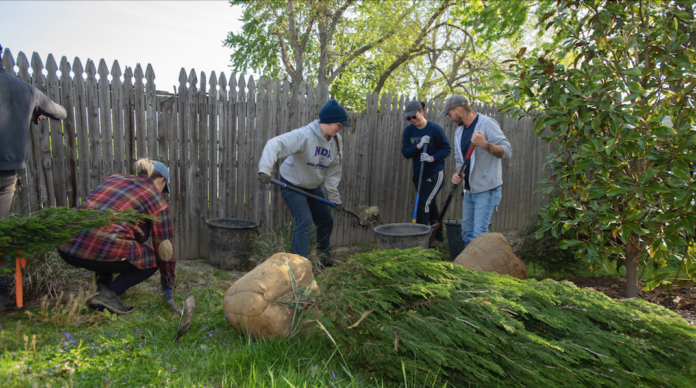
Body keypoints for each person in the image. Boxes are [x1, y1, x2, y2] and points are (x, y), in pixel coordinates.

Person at [56, 158, 176, 314]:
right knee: (151, 260)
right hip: (99, 246)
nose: (162, 193)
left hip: (66, 244)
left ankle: (101, 286)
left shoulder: (114, 179)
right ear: (161, 180)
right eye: (163, 188)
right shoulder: (156, 199)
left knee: (109, 236)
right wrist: (168, 279)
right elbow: (164, 248)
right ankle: (108, 293)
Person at [0, 43, 68, 312]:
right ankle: (3, 298)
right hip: (5, 173)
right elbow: (60, 112)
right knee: (2, 232)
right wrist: (33, 109)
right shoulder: (24, 90)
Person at [257, 99, 349, 267]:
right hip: (292, 184)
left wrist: (335, 199)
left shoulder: (336, 140)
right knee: (305, 221)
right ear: (329, 122)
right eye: (339, 125)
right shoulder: (304, 135)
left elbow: (333, 172)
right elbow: (275, 143)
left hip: (313, 186)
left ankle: (323, 256)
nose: (340, 128)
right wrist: (265, 168)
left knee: (326, 220)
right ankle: (297, 267)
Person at [439, 95, 512, 249]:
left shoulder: (486, 124)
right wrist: (458, 174)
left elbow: (507, 152)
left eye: (450, 114)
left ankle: (479, 271)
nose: (450, 118)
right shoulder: (459, 132)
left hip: (487, 189)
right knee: (466, 233)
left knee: (479, 235)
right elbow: (460, 161)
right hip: (469, 191)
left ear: (459, 109)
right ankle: (470, 269)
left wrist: (484, 144)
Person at [401, 100, 451, 247]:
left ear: (421, 111)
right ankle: (438, 239)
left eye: (414, 117)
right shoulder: (409, 131)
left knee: (423, 204)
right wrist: (419, 145)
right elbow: (406, 153)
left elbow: (446, 149)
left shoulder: (434, 129)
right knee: (431, 204)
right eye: (408, 118)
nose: (412, 120)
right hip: (419, 174)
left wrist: (431, 158)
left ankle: (421, 243)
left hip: (434, 173)